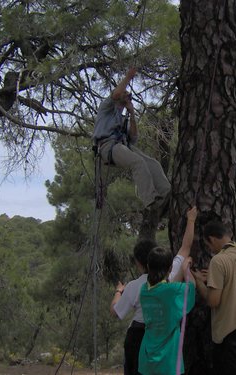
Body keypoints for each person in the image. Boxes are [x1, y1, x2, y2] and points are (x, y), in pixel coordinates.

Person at [93, 67, 170, 210]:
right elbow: (115, 94)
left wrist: (132, 114)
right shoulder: (106, 107)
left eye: (128, 94)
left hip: (123, 146)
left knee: (153, 164)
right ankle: (150, 200)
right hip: (107, 146)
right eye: (125, 93)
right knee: (137, 162)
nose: (127, 95)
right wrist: (128, 77)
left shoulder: (123, 119)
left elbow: (133, 137)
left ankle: (168, 195)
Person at [138, 206, 198, 375]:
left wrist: (190, 221)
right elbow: (191, 288)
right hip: (168, 361)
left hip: (147, 359)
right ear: (171, 266)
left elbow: (184, 248)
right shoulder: (172, 291)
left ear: (148, 266)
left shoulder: (145, 290)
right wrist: (186, 271)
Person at [192, 220, 236, 375]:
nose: (210, 249)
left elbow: (213, 301)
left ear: (212, 239)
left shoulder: (219, 260)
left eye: (209, 245)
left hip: (229, 333)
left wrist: (199, 282)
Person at [110, 239, 156, 375]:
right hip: (160, 335)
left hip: (137, 336)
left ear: (137, 262)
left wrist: (118, 291)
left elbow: (115, 311)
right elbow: (184, 249)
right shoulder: (170, 280)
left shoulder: (134, 285)